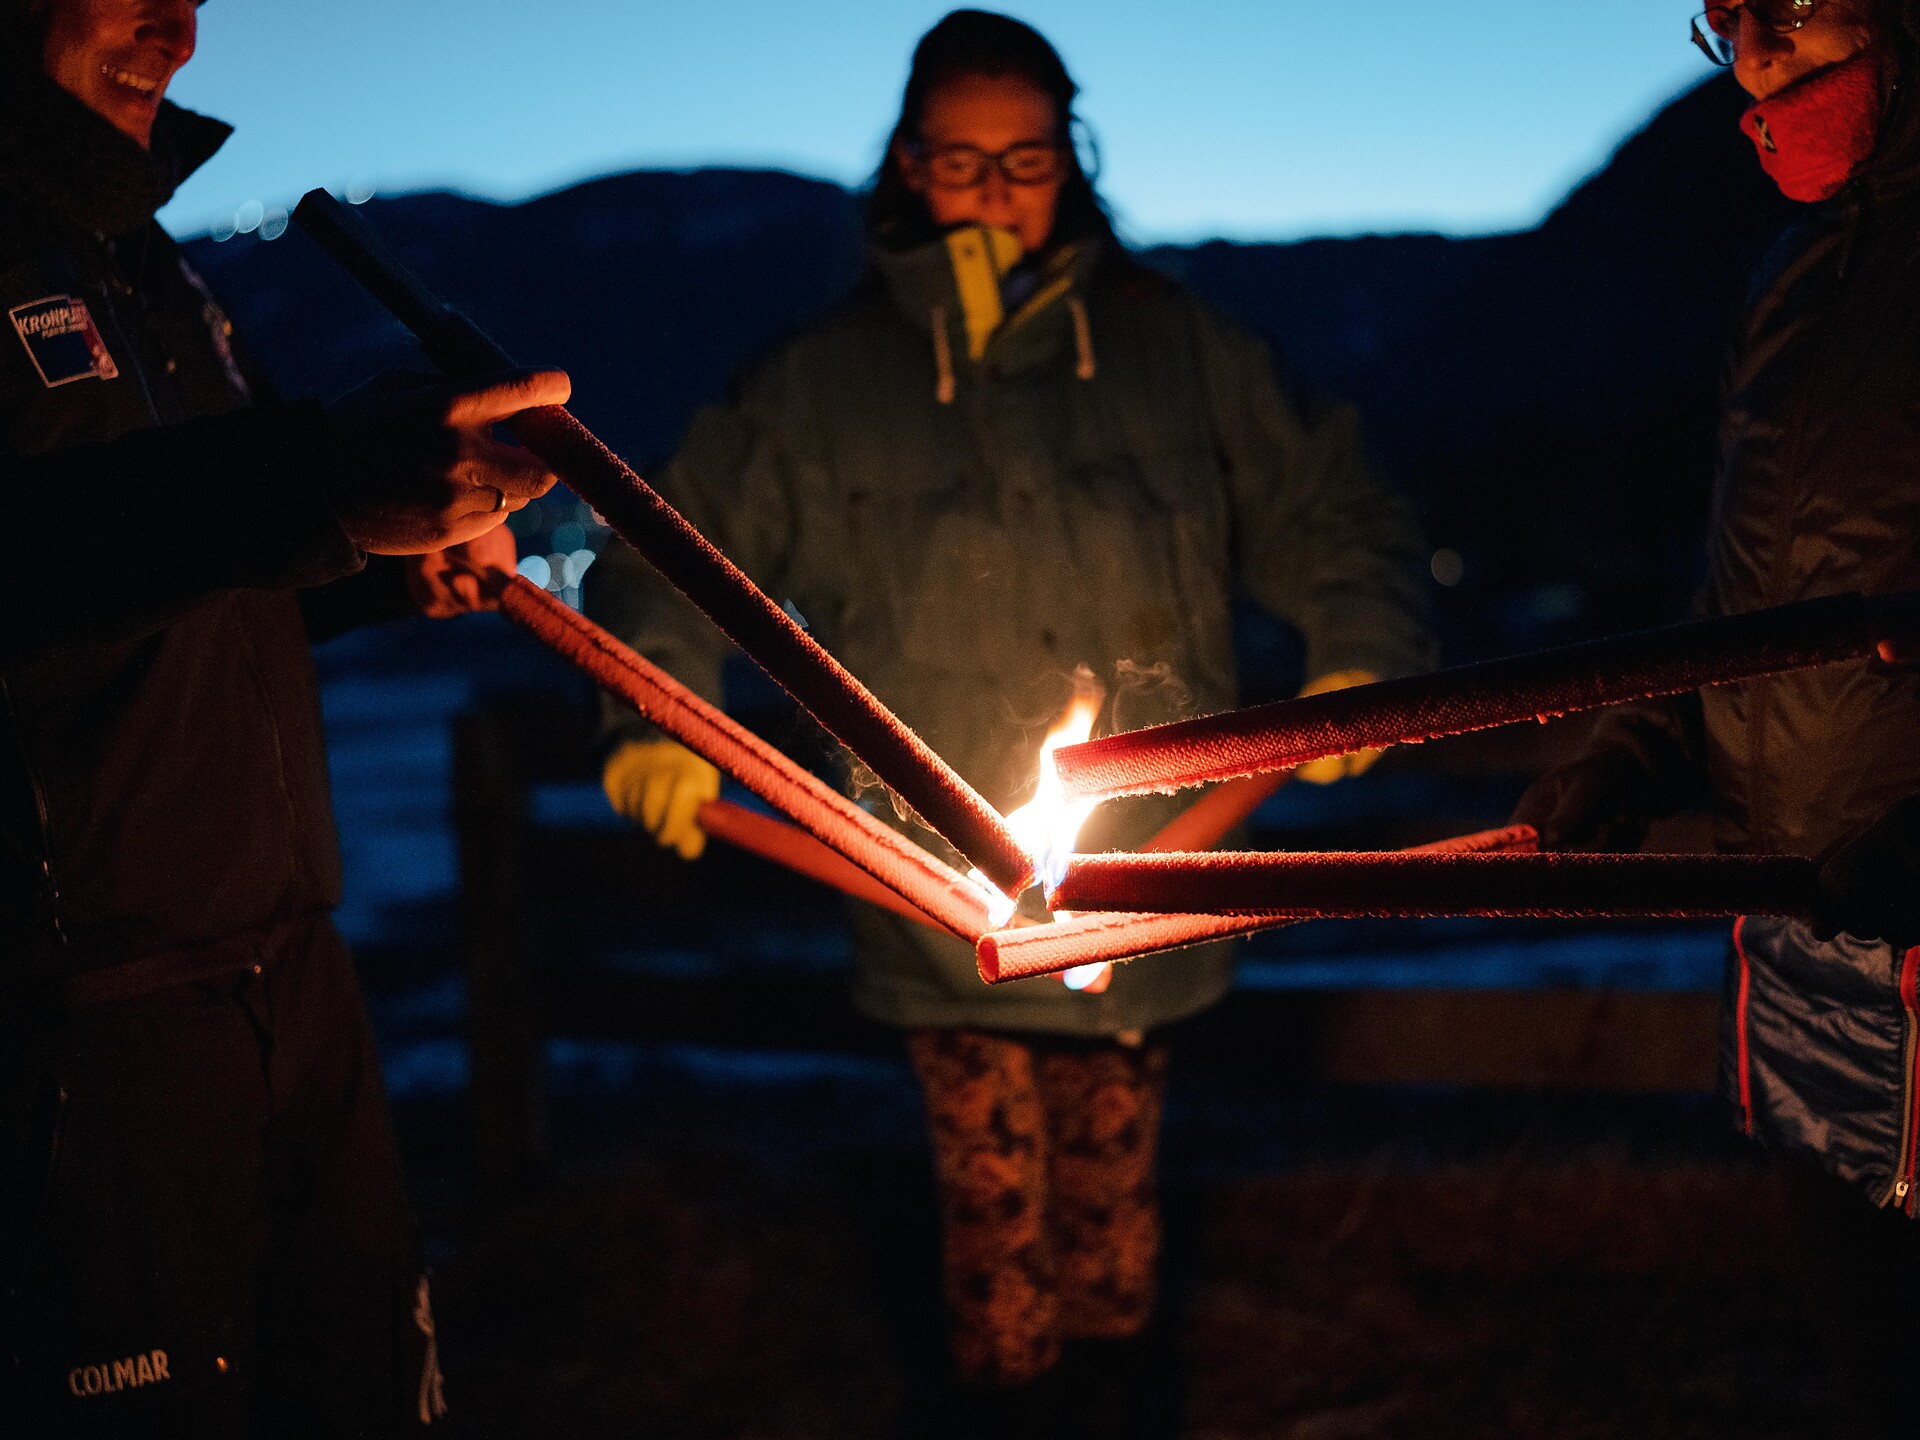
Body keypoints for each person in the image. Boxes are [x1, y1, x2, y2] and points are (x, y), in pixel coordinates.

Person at [586, 9, 1431, 1409]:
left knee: (1113, 1224)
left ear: (1073, 158)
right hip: (937, 908)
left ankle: (1112, 1405)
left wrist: (1360, 653)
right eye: (960, 158)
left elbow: (1335, 511)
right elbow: (678, 557)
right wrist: (657, 722)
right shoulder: (817, 388)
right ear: (908, 161)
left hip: (1140, 887)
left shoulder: (1181, 352)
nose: (991, 191)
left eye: (1026, 159)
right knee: (995, 1245)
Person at [0, 0, 570, 1433]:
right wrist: (316, 484)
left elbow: (168, 594)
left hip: (289, 986)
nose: (177, 32)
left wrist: (376, 567)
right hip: (88, 1043)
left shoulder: (148, 269)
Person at [1515, 0, 1920, 1420]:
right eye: (1727, 17)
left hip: (1915, 906)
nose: (1754, 56)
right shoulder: (1793, 276)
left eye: (1796, 6)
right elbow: (1744, 598)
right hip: (1807, 928)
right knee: (1872, 1348)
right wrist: (1642, 735)